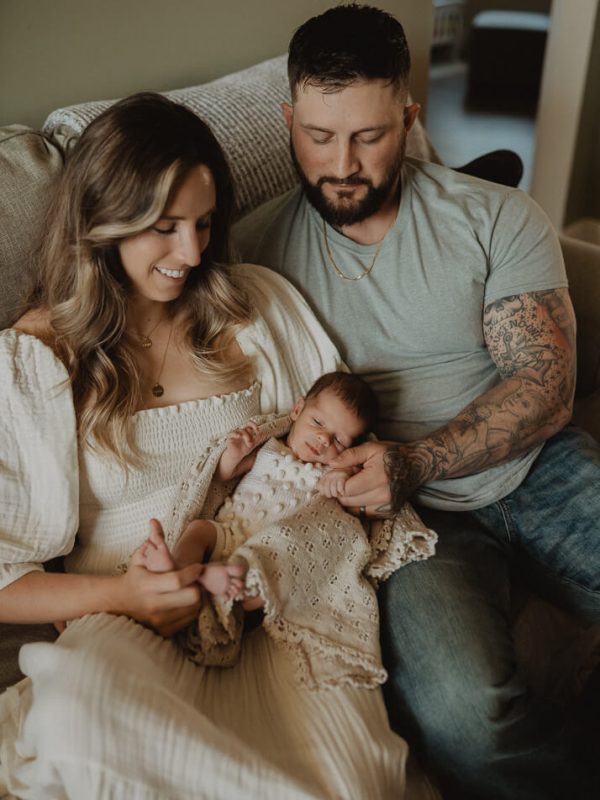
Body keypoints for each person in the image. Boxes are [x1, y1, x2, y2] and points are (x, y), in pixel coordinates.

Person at [0, 91, 440, 799]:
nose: (192, 252)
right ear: (101, 224)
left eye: (204, 223)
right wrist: (126, 595)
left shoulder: (255, 310)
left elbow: (330, 462)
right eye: (164, 227)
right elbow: (3, 571)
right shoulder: (42, 357)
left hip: (273, 610)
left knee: (345, 778)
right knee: (81, 724)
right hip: (121, 625)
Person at [233, 4, 600, 799]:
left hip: (537, 468)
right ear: (288, 120)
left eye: (369, 136)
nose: (343, 165)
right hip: (408, 531)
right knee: (467, 718)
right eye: (319, 136)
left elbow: (547, 386)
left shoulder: (497, 216)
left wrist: (419, 458)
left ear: (409, 117)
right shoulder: (252, 254)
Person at [142, 371, 379, 601]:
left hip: (270, 552)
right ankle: (178, 568)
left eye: (338, 440)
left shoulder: (333, 471)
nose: (324, 439)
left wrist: (342, 477)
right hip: (230, 530)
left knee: (263, 588)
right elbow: (225, 475)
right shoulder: (271, 447)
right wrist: (235, 453)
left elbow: (349, 493)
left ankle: (213, 584)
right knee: (198, 529)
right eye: (318, 422)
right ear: (297, 410)